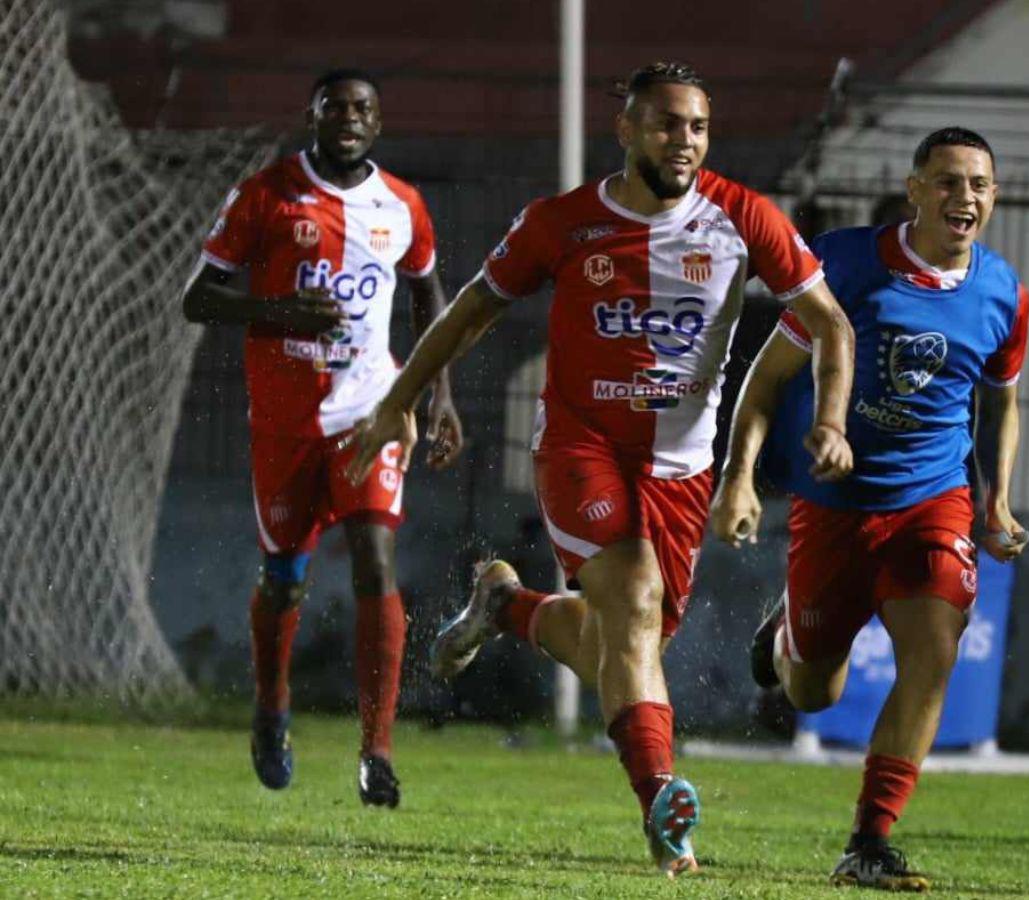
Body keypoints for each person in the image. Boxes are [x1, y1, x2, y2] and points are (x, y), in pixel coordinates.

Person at [349, 61, 854, 874]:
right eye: (664, 124)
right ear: (625, 130)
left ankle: (507, 604)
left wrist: (827, 421)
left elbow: (829, 325)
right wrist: (402, 396)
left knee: (628, 644)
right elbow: (473, 307)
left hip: (681, 470)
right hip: (581, 448)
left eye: (695, 126)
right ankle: (662, 805)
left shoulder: (744, 218)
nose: (681, 141)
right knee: (635, 602)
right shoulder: (564, 222)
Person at [711, 126, 1029, 891]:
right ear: (915, 188)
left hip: (933, 501)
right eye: (948, 182)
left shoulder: (1003, 291)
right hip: (835, 507)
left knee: (934, 653)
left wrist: (999, 500)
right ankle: (787, 629)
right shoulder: (848, 262)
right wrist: (740, 474)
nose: (965, 198)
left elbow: (1003, 403)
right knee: (810, 690)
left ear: (995, 196)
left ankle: (869, 840)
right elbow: (769, 374)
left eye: (979, 185)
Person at [181, 68, 463, 808]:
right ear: (312, 116)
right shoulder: (266, 194)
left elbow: (428, 288)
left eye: (363, 107)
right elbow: (197, 297)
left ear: (378, 122)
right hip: (283, 423)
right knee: (285, 580)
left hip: (368, 411)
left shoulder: (402, 204)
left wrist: (438, 393)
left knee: (375, 559)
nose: (348, 117)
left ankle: (377, 751)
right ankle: (271, 708)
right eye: (334, 106)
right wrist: (279, 312)